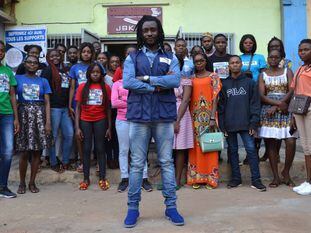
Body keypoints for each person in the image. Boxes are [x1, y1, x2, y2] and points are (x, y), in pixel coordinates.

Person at [122, 15, 183, 227]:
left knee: (166, 162)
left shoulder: (170, 56)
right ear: (140, 33)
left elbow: (175, 80)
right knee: (137, 164)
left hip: (163, 116)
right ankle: (132, 209)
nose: (149, 33)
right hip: (139, 116)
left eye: (153, 30)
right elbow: (128, 82)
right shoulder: (132, 57)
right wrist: (157, 86)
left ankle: (171, 207)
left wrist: (147, 79)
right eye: (146, 30)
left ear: (159, 32)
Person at [218, 55, 266, 192]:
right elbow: (220, 107)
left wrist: (254, 123)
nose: (235, 65)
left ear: (241, 65)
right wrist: (222, 125)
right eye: (232, 63)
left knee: (251, 150)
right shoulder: (224, 84)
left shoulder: (250, 83)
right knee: (232, 151)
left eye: (237, 62)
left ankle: (256, 180)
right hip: (229, 123)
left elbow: (255, 104)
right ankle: (236, 179)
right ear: (229, 66)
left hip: (247, 124)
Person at [111, 53, 152, 192]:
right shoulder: (116, 84)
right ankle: (125, 178)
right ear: (122, 69)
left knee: (140, 150)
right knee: (124, 150)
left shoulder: (139, 83)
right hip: (122, 121)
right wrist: (131, 102)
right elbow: (114, 103)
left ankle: (144, 178)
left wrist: (126, 102)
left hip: (138, 119)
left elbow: (142, 101)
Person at [258, 49, 296, 188]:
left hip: (286, 109)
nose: (273, 59)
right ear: (267, 59)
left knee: (291, 141)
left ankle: (286, 172)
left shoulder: (288, 71)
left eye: (276, 57)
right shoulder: (263, 74)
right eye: (270, 57)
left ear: (281, 59)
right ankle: (276, 177)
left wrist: (280, 105)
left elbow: (292, 90)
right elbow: (262, 95)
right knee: (271, 144)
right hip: (268, 111)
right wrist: (276, 105)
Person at [15, 55, 53, 194]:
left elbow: (47, 102)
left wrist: (48, 122)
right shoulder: (17, 79)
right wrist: (15, 119)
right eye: (29, 62)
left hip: (39, 117)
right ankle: (22, 183)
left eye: (35, 63)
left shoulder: (43, 81)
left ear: (38, 65)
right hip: (23, 115)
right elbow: (13, 97)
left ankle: (32, 182)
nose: (32, 64)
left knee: (37, 151)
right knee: (24, 151)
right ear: (25, 64)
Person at [75, 63, 111, 191]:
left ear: (101, 74)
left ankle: (102, 177)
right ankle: (86, 178)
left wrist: (109, 127)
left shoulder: (106, 87)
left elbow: (108, 109)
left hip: (100, 120)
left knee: (100, 148)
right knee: (86, 149)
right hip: (85, 120)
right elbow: (78, 108)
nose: (95, 74)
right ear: (89, 74)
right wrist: (77, 127)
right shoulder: (82, 87)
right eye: (93, 72)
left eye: (98, 72)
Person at [187, 53, 221, 189]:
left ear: (206, 61)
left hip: (209, 117)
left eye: (202, 60)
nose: (199, 63)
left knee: (210, 146)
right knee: (195, 148)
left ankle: (210, 178)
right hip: (194, 118)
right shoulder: (191, 78)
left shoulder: (213, 76)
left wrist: (213, 117)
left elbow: (215, 99)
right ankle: (196, 178)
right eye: (196, 61)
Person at [41, 49, 74, 172]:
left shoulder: (65, 70)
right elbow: (45, 91)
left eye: (57, 55)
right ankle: (53, 161)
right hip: (54, 108)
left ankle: (65, 161)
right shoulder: (47, 70)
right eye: (52, 55)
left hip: (65, 108)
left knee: (69, 135)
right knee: (52, 136)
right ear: (49, 57)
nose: (55, 57)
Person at [239, 34, 267, 164]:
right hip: (243, 94)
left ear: (254, 44)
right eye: (246, 43)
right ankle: (249, 153)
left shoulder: (260, 57)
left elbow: (265, 75)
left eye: (250, 43)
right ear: (242, 44)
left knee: (256, 122)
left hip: (257, 93)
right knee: (246, 122)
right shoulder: (238, 58)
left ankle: (254, 153)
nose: (248, 45)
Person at [69, 42, 95, 172]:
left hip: (93, 104)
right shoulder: (75, 68)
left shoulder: (96, 66)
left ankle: (92, 158)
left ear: (92, 54)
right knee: (78, 132)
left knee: (94, 133)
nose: (86, 54)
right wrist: (70, 105)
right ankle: (81, 159)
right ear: (80, 53)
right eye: (84, 51)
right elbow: (72, 87)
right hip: (78, 103)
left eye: (88, 52)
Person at [173, 38, 194, 189]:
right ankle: (168, 180)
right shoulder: (168, 80)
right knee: (167, 148)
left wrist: (177, 121)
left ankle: (177, 180)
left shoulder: (186, 80)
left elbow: (186, 100)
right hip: (167, 113)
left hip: (182, 114)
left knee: (180, 148)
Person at [0, 40, 19, 198]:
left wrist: (16, 118)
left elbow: (12, 95)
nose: (0, 53)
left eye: (1, 50)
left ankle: (3, 186)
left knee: (7, 152)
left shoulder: (8, 72)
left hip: (7, 114)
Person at [292, 39, 311, 195]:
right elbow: (294, 90)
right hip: (299, 108)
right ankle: (308, 180)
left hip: (310, 108)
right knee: (305, 147)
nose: (302, 52)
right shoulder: (300, 69)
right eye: (300, 50)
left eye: (306, 49)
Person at [104, 55, 121, 169]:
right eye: (112, 62)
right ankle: (109, 159)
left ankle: (117, 159)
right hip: (107, 109)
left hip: (119, 109)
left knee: (118, 136)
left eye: (117, 62)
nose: (114, 64)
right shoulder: (104, 77)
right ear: (108, 63)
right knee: (108, 135)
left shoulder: (123, 75)